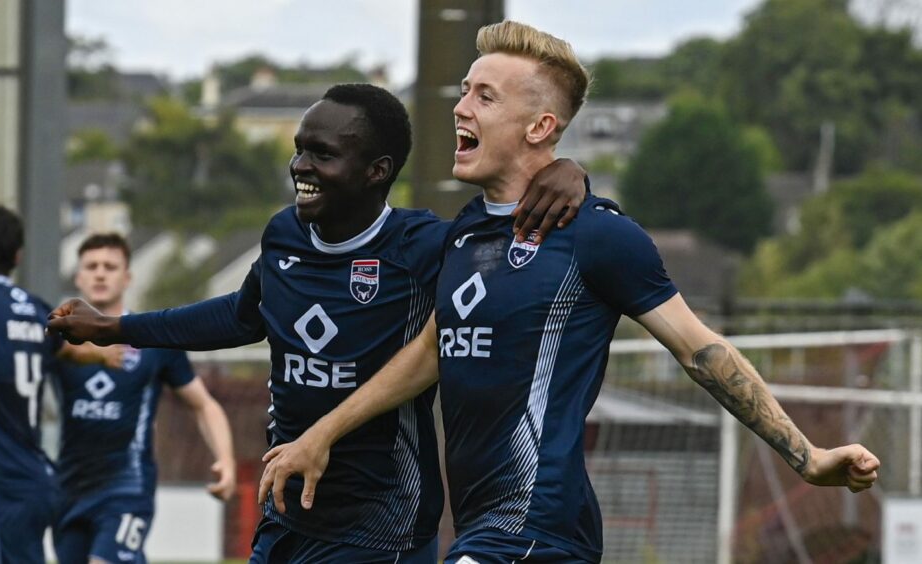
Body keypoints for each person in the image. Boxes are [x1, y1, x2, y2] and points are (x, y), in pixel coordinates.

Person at [252, 21, 882, 564]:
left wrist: (807, 456)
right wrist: (320, 435)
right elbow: (430, 353)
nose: (460, 106)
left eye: (485, 96)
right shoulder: (467, 232)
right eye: (466, 89)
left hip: (536, 524)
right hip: (483, 528)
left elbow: (701, 349)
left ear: (540, 126)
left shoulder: (599, 236)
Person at [47, 83, 588, 563]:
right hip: (287, 508)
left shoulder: (419, 246)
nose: (301, 167)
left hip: (380, 521)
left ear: (376, 171)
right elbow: (240, 316)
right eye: (300, 150)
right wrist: (114, 326)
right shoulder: (284, 235)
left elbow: (514, 230)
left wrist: (569, 173)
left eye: (322, 155)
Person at [51, 233, 236, 564]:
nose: (100, 273)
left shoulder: (148, 339)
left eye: (110, 266)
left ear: (127, 277)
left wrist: (226, 459)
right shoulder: (58, 343)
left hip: (127, 488)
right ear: (78, 277)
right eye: (91, 266)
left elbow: (203, 404)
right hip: (69, 489)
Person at [0, 206, 123, 564]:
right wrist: (103, 354)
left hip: (3, 476)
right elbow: (68, 348)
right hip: (34, 475)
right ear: (17, 255)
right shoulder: (33, 308)